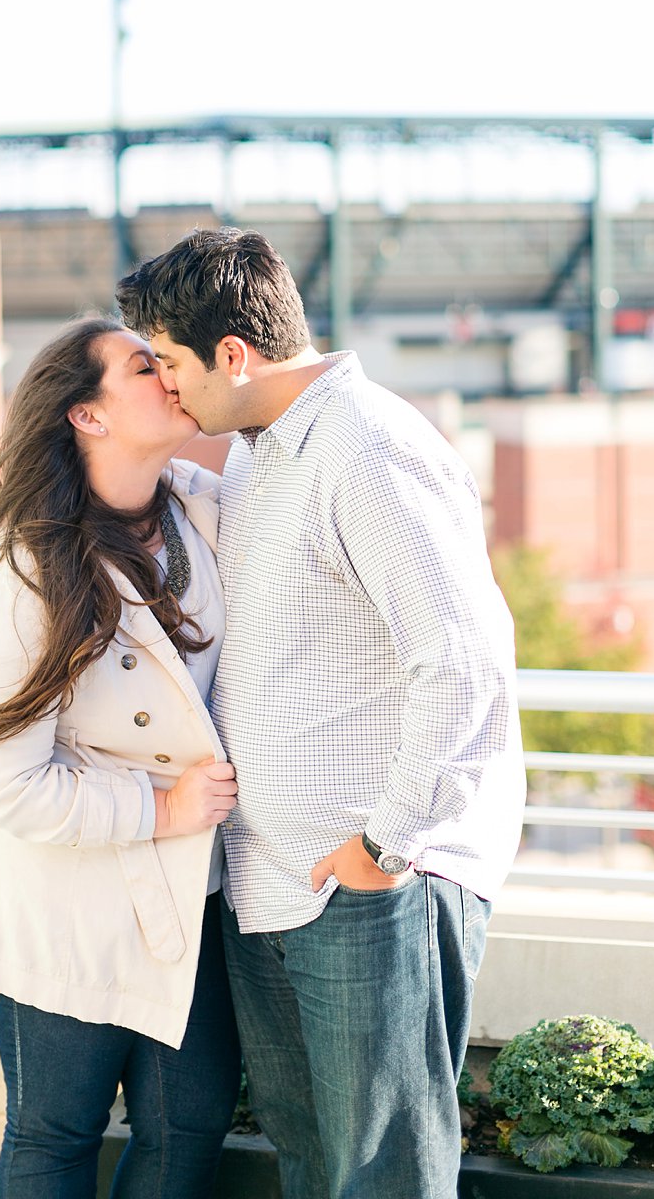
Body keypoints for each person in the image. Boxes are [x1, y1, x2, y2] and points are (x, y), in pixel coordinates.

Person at [117, 227, 526, 1199]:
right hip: (274, 886)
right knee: (311, 1175)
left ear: (233, 354)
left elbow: (464, 665)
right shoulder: (260, 456)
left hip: (368, 883)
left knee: (381, 1180)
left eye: (171, 364)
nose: (167, 388)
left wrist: (380, 848)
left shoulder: (368, 449)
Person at [0, 316, 242, 1199]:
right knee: (56, 1134)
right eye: (143, 365)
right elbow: (6, 785)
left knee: (189, 1124)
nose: (170, 373)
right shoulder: (24, 567)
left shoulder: (204, 504)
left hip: (184, 886)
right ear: (87, 417)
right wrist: (161, 808)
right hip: (58, 888)